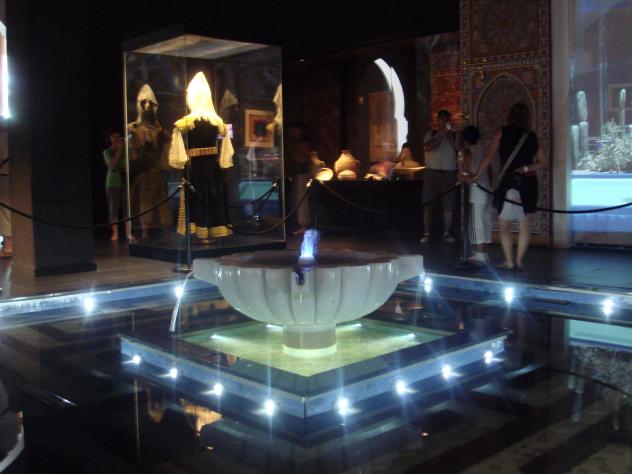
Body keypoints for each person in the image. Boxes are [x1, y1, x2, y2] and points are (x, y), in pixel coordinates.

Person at [469, 103, 547, 270]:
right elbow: (543, 162)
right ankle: (519, 261)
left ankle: (509, 261)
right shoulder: (532, 136)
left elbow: (488, 157)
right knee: (525, 223)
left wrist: (476, 175)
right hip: (529, 182)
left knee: (504, 223)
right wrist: (525, 168)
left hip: (510, 182)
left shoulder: (501, 132)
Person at [420, 110, 460, 243]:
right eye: (441, 119)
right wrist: (441, 136)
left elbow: (458, 148)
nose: (444, 122)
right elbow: (428, 147)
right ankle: (426, 233)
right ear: (438, 121)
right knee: (428, 204)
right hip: (432, 173)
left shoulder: (452, 135)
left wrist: (455, 134)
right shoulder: (431, 134)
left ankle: (446, 233)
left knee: (448, 205)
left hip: (449, 174)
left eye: (446, 120)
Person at [460, 126, 491, 265]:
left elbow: (466, 172)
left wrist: (462, 172)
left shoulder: (468, 152)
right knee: (484, 221)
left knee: (476, 222)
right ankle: (484, 253)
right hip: (486, 188)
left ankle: (479, 254)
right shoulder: (483, 149)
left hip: (476, 190)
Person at [285, 122, 311, 235]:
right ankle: (298, 224)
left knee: (301, 200)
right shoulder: (294, 144)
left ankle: (302, 224)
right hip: (296, 174)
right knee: (296, 200)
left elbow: (302, 159)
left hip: (301, 174)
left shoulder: (302, 145)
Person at [103, 130, 127, 241]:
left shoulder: (125, 151)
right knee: (114, 208)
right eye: (114, 136)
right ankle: (115, 233)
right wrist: (119, 150)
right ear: (110, 138)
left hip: (124, 181)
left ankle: (128, 232)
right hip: (113, 182)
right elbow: (112, 164)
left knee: (126, 207)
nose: (117, 138)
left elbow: (134, 158)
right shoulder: (107, 151)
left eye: (119, 136)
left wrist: (129, 147)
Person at [0, 132, 11, 257]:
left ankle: (9, 246)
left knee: (5, 211)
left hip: (4, 176)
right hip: (18, 175)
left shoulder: (3, 136)